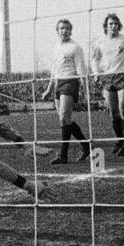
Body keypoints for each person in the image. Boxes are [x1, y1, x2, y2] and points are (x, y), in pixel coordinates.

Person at [38, 18, 90, 165]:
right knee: (65, 120)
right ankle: (86, 146)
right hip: (58, 84)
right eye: (61, 28)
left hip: (70, 82)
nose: (64, 31)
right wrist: (48, 89)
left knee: (63, 118)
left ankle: (63, 155)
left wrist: (85, 91)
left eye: (67, 28)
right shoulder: (56, 47)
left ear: (70, 30)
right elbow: (54, 70)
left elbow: (81, 70)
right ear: (57, 31)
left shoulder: (75, 47)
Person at [90, 12, 124, 156]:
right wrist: (96, 73)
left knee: (123, 107)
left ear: (119, 25)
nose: (113, 26)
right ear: (106, 27)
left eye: (115, 24)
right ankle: (119, 140)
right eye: (110, 24)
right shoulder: (100, 42)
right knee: (113, 113)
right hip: (107, 78)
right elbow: (94, 59)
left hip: (122, 76)